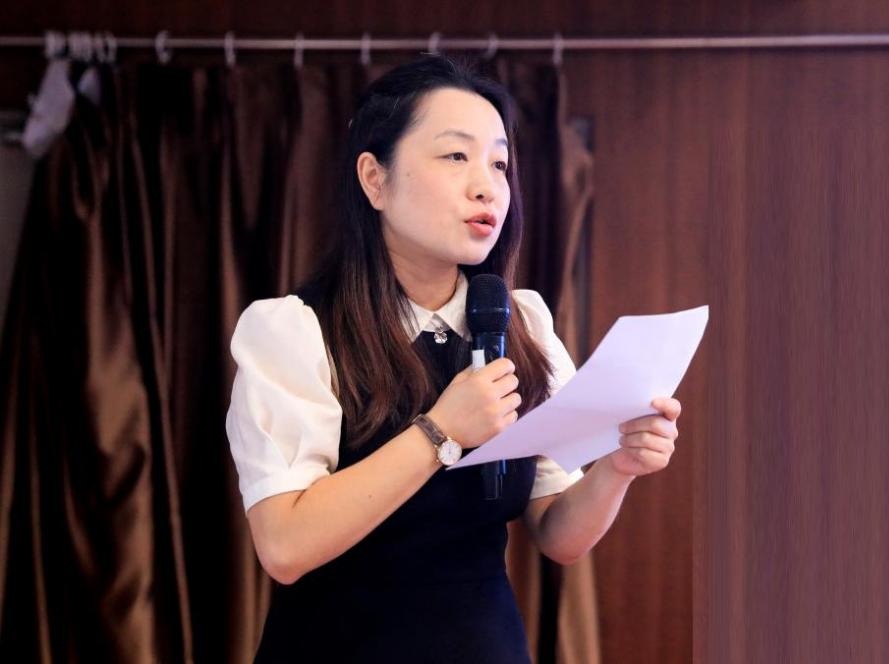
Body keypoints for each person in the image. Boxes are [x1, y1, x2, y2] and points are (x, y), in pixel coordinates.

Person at [223, 55, 683, 661]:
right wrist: (440, 432)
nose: (487, 185)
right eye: (456, 156)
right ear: (375, 179)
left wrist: (617, 467)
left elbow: (559, 534)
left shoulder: (522, 323)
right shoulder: (295, 329)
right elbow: (285, 547)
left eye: (499, 163)